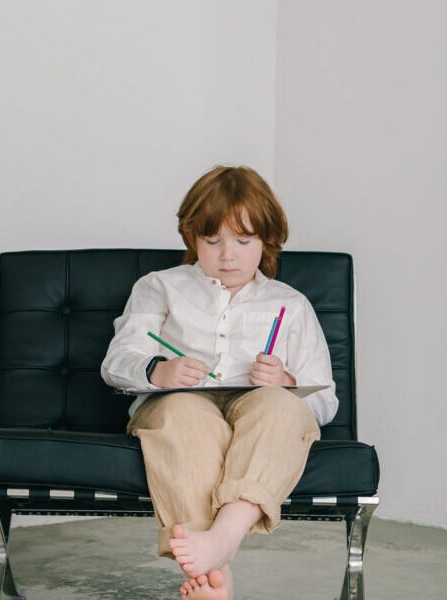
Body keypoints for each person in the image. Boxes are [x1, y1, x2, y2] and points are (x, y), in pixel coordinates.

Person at [100, 165, 338, 600]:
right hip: (178, 403)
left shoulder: (291, 304)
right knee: (184, 412)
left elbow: (323, 401)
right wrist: (158, 370)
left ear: (267, 240)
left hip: (260, 407)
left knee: (282, 407)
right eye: (212, 241)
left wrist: (286, 381)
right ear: (192, 238)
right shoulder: (159, 287)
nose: (228, 255)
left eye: (243, 241)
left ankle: (221, 544)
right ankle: (218, 567)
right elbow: (116, 362)